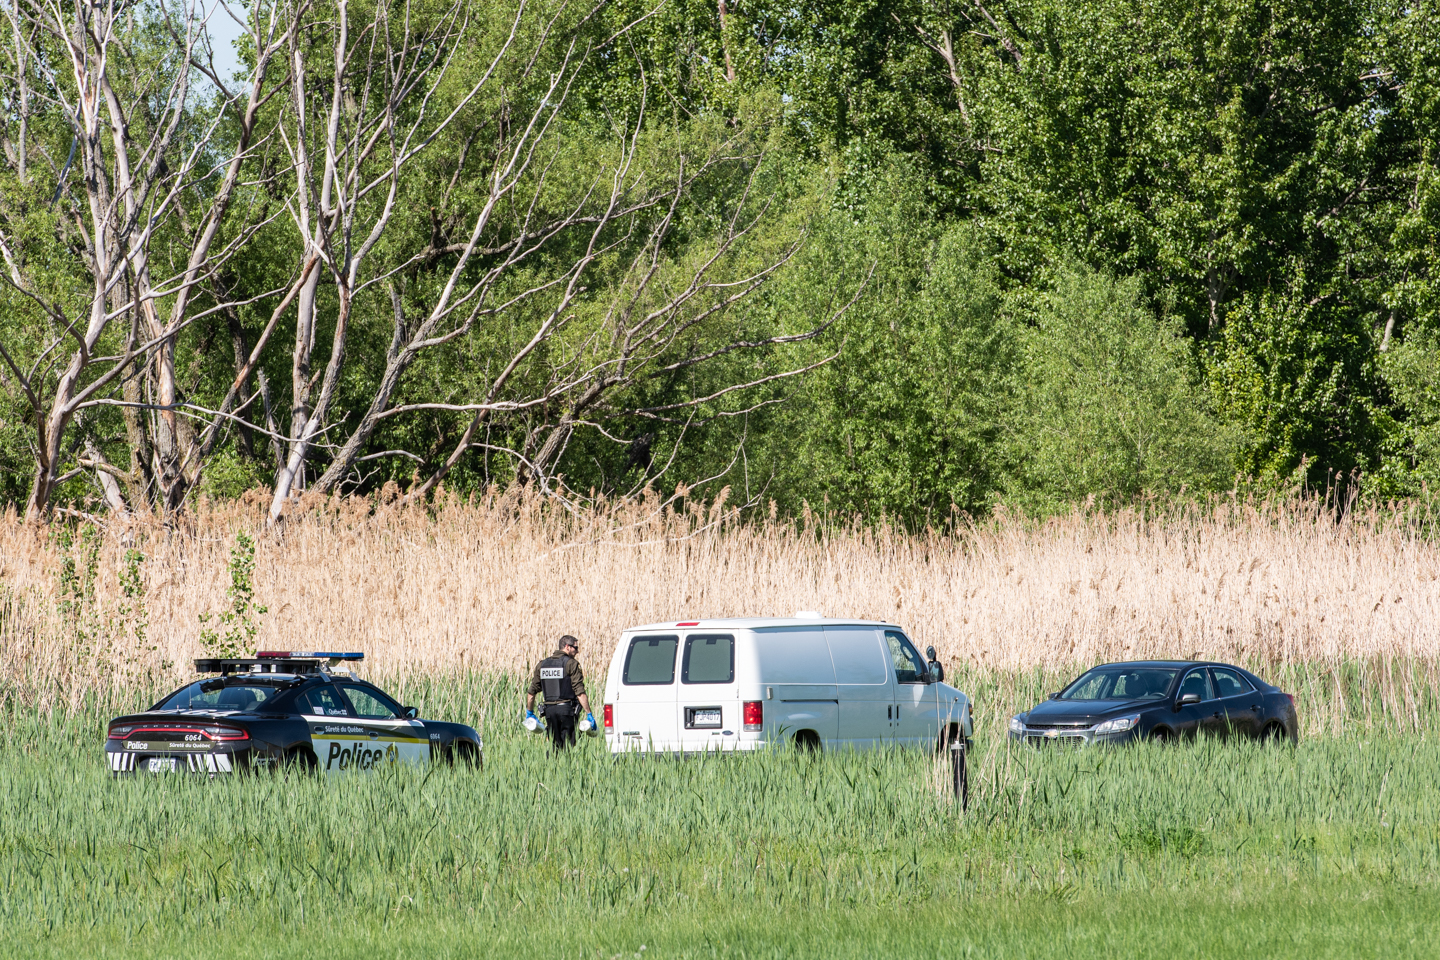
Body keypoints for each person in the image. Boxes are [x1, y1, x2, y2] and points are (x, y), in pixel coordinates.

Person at [525, 635, 594, 750]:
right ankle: (566, 767)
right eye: (575, 648)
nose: (577, 651)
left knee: (554, 746)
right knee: (568, 747)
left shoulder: (542, 665)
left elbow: (531, 692)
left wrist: (529, 712)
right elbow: (580, 692)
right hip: (566, 711)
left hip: (549, 712)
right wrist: (589, 714)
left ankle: (551, 766)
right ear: (567, 647)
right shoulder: (571, 664)